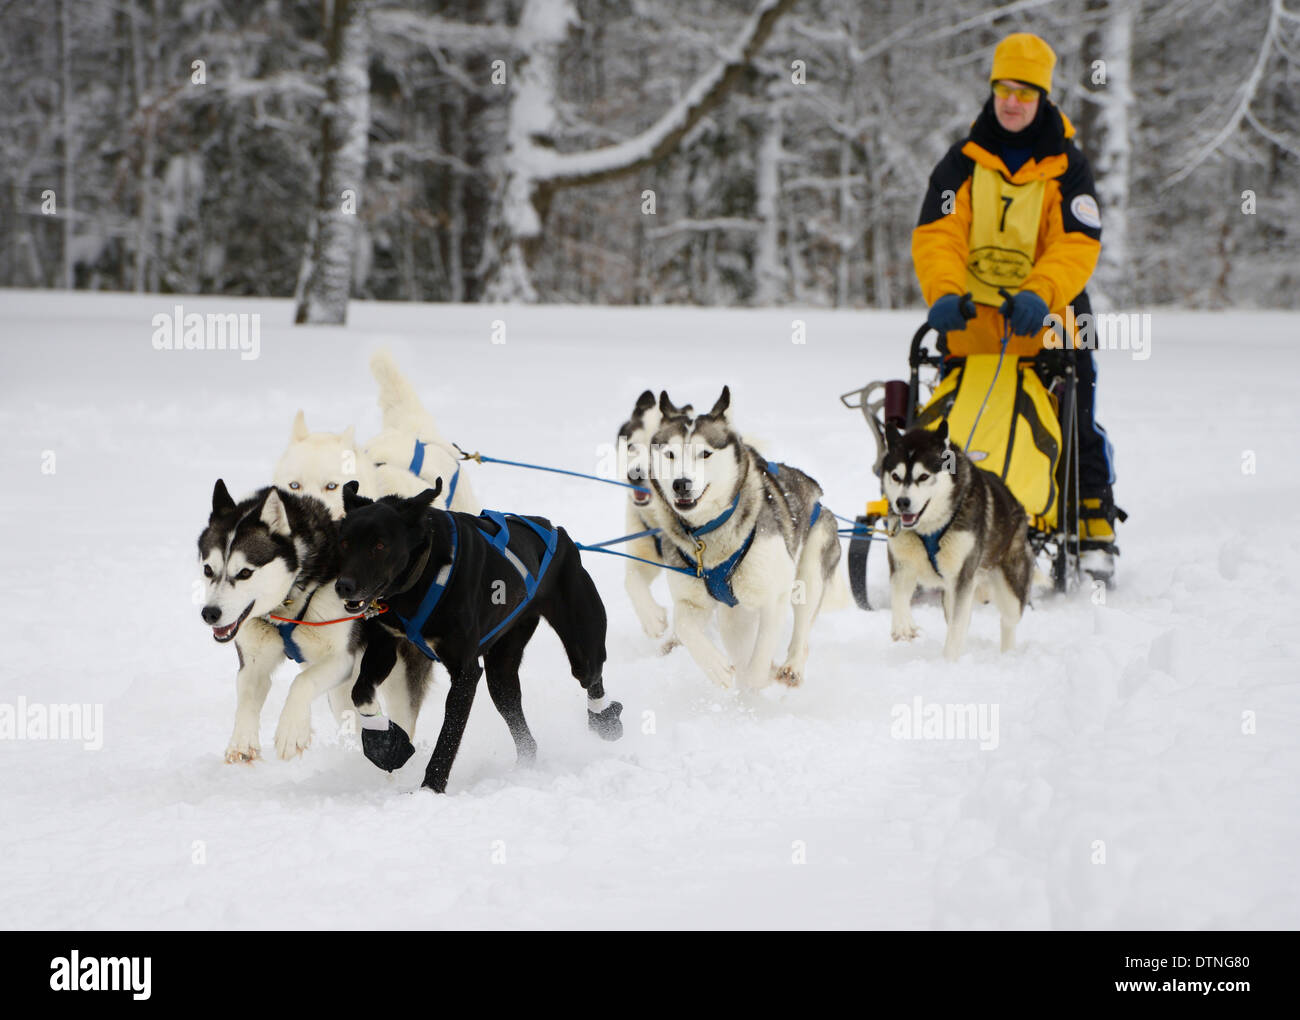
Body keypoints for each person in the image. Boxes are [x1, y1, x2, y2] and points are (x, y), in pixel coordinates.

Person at [911, 32, 1122, 581]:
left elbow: (1076, 243)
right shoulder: (960, 163)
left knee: (1075, 413)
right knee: (949, 420)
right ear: (992, 89)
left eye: (1025, 92)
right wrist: (942, 295)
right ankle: (937, 510)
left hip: (1050, 319)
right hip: (971, 322)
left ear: (1043, 98)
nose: (1012, 101)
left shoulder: (1067, 168)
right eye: (1004, 88)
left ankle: (1089, 518)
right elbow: (938, 236)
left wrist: (1040, 295)